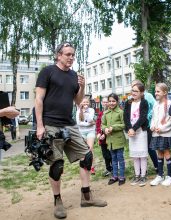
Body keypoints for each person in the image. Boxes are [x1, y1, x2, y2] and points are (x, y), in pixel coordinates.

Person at [35, 42, 107, 219]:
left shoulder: (74, 75)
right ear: (58, 55)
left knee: (87, 156)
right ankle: (58, 201)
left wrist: (82, 86)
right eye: (68, 54)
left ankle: (86, 196)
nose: (71, 57)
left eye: (73, 54)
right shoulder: (48, 72)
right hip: (51, 124)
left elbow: (78, 101)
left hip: (69, 124)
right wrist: (39, 125)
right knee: (57, 164)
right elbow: (38, 99)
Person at [124, 82, 149, 186]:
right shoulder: (128, 103)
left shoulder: (144, 102)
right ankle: (137, 175)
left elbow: (143, 117)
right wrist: (130, 129)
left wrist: (134, 128)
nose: (133, 93)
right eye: (132, 90)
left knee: (142, 155)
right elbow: (125, 116)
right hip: (131, 133)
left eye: (136, 91)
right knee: (135, 155)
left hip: (141, 132)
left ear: (141, 92)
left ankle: (143, 176)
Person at [149, 83, 171, 186]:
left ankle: (169, 176)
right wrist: (152, 126)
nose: (156, 93)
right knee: (159, 153)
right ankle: (160, 175)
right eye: (155, 91)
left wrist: (162, 128)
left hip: (165, 133)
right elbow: (153, 118)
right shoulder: (156, 104)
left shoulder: (169, 103)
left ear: (165, 92)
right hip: (156, 133)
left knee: (166, 153)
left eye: (158, 91)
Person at [131, 79, 158, 174]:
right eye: (132, 88)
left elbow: (155, 107)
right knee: (139, 148)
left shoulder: (148, 96)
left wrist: (147, 116)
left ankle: (157, 166)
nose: (133, 90)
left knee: (149, 147)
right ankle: (143, 170)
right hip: (136, 127)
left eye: (136, 87)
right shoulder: (132, 99)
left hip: (147, 125)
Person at [102, 93, 126, 186]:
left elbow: (124, 125)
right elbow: (102, 124)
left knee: (120, 158)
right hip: (110, 141)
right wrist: (105, 129)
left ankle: (122, 176)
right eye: (110, 101)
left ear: (117, 102)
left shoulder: (120, 112)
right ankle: (115, 176)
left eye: (113, 101)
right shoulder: (105, 113)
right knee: (114, 159)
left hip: (119, 140)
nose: (111, 103)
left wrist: (113, 127)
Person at [76, 97, 96, 174]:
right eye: (84, 102)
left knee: (90, 149)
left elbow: (91, 119)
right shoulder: (78, 111)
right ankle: (85, 164)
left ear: (89, 103)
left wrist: (86, 112)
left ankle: (92, 167)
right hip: (82, 132)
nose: (85, 104)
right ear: (81, 103)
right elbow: (79, 123)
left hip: (90, 131)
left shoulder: (91, 110)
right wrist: (88, 124)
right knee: (84, 150)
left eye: (87, 102)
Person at [96, 97, 112, 177]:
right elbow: (98, 124)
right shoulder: (100, 113)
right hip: (102, 139)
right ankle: (108, 169)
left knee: (111, 153)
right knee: (105, 154)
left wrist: (104, 134)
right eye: (104, 102)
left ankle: (114, 168)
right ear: (102, 103)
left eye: (107, 102)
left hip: (109, 136)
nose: (105, 103)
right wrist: (98, 133)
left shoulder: (110, 112)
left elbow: (110, 125)